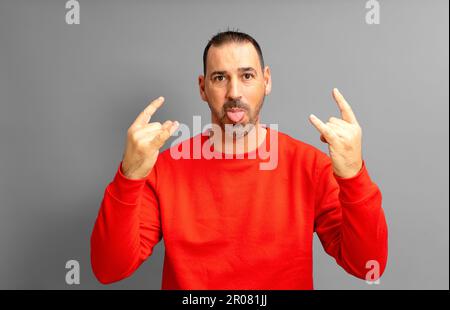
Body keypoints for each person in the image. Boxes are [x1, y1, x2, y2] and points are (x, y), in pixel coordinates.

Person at [90, 31, 388, 289]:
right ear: (202, 87)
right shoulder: (164, 169)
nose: (234, 92)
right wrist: (128, 177)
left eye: (247, 76)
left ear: (266, 81)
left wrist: (353, 175)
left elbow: (367, 265)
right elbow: (109, 269)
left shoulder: (310, 166)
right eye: (220, 78)